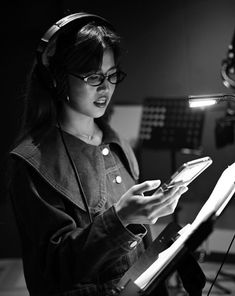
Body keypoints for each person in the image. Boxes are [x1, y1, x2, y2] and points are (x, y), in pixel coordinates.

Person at [8, 12, 203, 296]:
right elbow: (54, 269)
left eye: (112, 75)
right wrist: (120, 218)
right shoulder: (32, 163)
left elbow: (137, 248)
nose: (106, 86)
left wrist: (160, 232)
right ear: (58, 79)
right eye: (92, 76)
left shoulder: (116, 142)